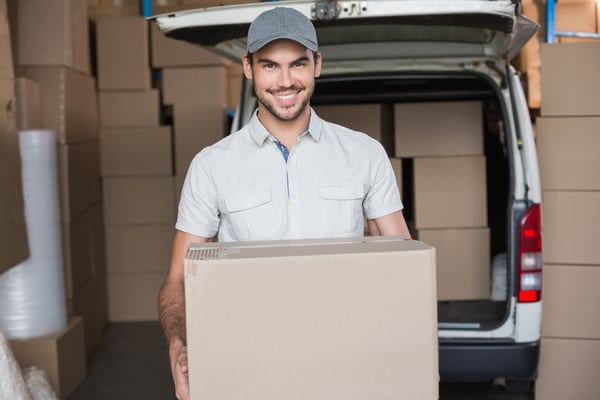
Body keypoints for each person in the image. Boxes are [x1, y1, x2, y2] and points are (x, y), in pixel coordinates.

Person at [158, 6, 411, 400]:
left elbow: (403, 266)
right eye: (270, 66)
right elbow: (178, 277)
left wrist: (410, 355)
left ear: (317, 65)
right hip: (246, 362)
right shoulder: (212, 166)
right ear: (248, 67)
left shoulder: (364, 154)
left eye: (298, 64)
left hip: (344, 360)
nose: (286, 80)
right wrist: (178, 348)